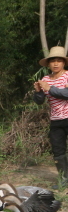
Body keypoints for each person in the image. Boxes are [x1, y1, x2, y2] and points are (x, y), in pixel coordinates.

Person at [34, 46, 68, 186]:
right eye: (52, 61)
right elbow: (39, 101)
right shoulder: (45, 79)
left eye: (58, 61)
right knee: (58, 150)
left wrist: (50, 89)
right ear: (48, 64)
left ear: (64, 63)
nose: (55, 64)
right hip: (56, 120)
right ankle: (64, 180)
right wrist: (38, 91)